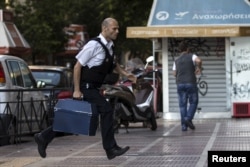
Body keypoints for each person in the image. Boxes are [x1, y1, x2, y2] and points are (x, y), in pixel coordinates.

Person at [34, 17, 136, 160]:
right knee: (106, 110)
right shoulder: (93, 45)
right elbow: (77, 66)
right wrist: (77, 90)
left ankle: (43, 136)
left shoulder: (110, 46)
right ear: (105, 28)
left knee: (75, 119)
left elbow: (114, 64)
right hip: (86, 87)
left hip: (94, 88)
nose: (117, 31)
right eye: (115, 28)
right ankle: (110, 148)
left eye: (118, 28)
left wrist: (127, 74)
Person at [172, 41, 202, 131]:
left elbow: (174, 73)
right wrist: (198, 68)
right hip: (190, 83)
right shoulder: (192, 56)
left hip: (180, 84)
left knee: (182, 105)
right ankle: (188, 118)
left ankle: (184, 126)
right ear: (187, 49)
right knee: (193, 102)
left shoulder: (176, 60)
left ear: (179, 50)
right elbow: (199, 61)